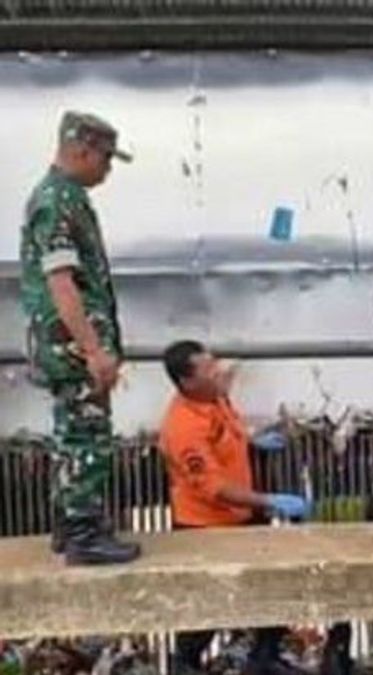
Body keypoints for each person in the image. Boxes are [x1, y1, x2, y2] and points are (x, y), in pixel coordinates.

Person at [19, 111, 141, 565]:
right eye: (105, 159)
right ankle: (83, 534)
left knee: (71, 431)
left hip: (66, 342)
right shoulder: (57, 202)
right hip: (70, 345)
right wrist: (93, 349)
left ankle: (71, 526)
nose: (107, 169)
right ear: (81, 150)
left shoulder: (64, 197)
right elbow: (62, 283)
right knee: (86, 434)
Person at [158, 340, 312, 675]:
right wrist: (271, 501)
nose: (219, 373)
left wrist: (250, 440)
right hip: (206, 526)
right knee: (208, 602)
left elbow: (228, 429)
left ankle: (266, 655)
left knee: (270, 583)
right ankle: (184, 663)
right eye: (209, 370)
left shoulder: (214, 396)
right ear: (187, 382)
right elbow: (214, 488)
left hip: (242, 515)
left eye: (215, 364)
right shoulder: (183, 426)